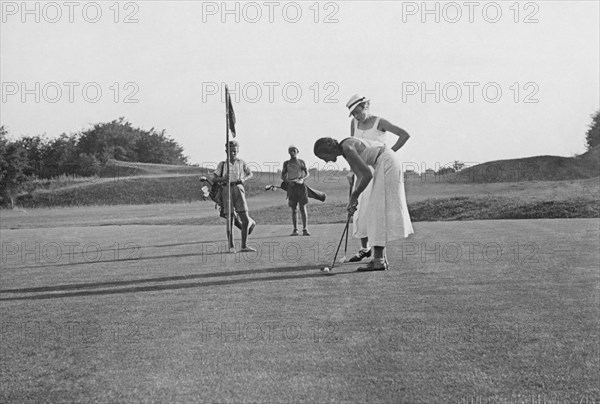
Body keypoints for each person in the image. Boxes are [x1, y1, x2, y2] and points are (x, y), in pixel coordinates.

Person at [313, 136, 413, 271]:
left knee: (377, 211)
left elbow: (367, 175)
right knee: (375, 211)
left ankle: (379, 261)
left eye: (323, 156)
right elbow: (360, 176)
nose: (325, 161)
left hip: (386, 162)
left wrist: (354, 195)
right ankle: (381, 259)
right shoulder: (345, 151)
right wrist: (353, 201)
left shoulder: (347, 148)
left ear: (329, 149)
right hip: (383, 162)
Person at [345, 93, 412, 263]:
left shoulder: (379, 122)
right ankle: (364, 249)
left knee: (376, 208)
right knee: (361, 210)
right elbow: (351, 147)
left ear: (366, 106)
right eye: (353, 114)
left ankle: (378, 255)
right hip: (362, 169)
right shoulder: (354, 123)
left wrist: (389, 154)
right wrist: (352, 171)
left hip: (379, 168)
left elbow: (404, 135)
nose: (356, 116)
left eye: (358, 112)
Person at [213, 140, 256, 252]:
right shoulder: (222, 164)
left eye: (235, 151)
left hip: (238, 188)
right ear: (226, 151)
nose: (233, 153)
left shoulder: (241, 162)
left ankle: (244, 245)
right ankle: (231, 246)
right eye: (231, 151)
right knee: (230, 219)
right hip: (226, 189)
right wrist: (223, 178)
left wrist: (243, 179)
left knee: (245, 218)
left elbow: (250, 173)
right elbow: (214, 178)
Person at [281, 145, 310, 236]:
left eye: (294, 150)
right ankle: (295, 229)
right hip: (291, 187)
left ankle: (305, 229)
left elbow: (307, 173)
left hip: (301, 187)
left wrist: (302, 179)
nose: (292, 152)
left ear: (297, 151)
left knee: (303, 207)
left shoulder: (301, 162)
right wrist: (288, 181)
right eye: (290, 151)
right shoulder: (286, 163)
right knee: (294, 209)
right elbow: (283, 175)